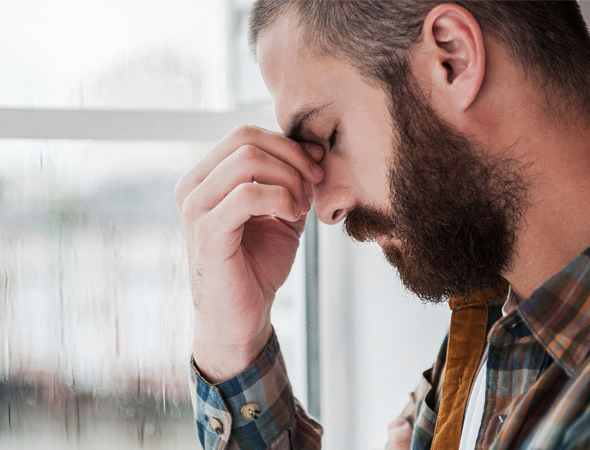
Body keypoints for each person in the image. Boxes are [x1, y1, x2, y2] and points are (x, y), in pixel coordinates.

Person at [173, 1, 590, 449]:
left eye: (328, 135)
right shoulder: (485, 331)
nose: (326, 209)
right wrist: (234, 346)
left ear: (453, 59)